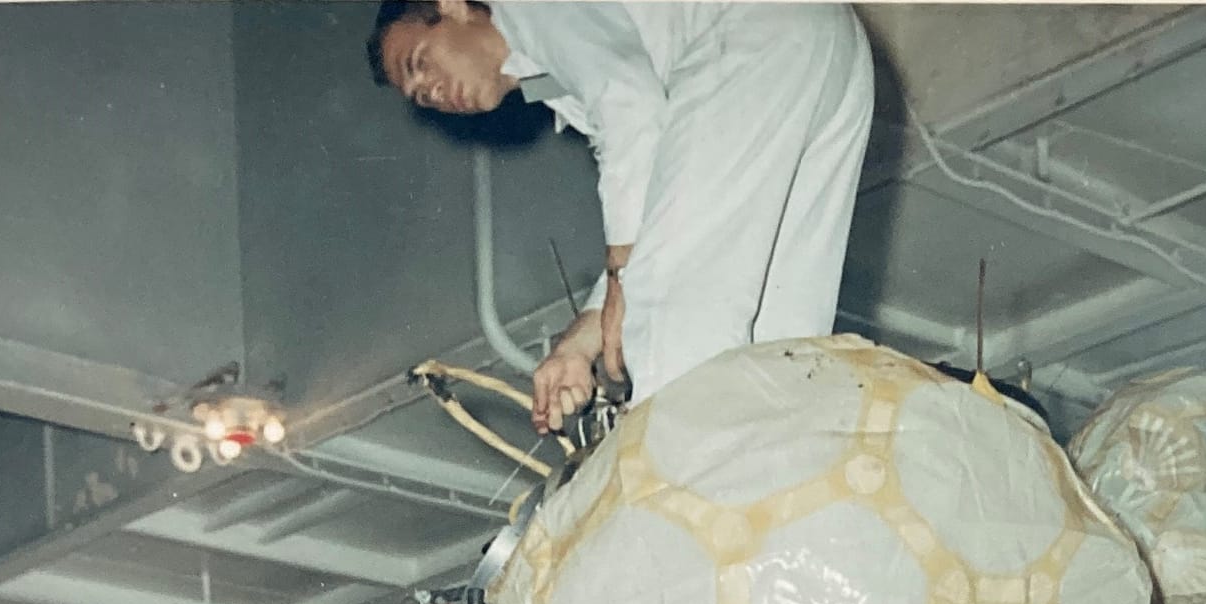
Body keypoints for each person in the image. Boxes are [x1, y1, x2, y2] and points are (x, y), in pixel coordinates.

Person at [366, 1, 875, 431]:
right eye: (418, 97)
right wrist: (582, 339)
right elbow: (666, 197)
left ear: (453, 4)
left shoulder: (527, 10)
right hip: (818, 42)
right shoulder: (550, 73)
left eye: (420, 63)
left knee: (677, 335)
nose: (430, 93)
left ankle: (687, 511)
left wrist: (624, 280)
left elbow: (632, 111)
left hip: (748, 38)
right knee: (780, 342)